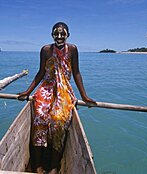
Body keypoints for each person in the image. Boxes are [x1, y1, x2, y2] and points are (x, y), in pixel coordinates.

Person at [17, 22, 96, 174]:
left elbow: (77, 73)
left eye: (63, 34)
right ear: (52, 34)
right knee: (40, 116)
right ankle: (37, 164)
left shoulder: (72, 49)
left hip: (64, 90)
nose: (59, 36)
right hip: (46, 87)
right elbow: (41, 72)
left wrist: (84, 96)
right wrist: (28, 92)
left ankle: (54, 165)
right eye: (56, 33)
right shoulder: (46, 50)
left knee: (59, 120)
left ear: (68, 35)